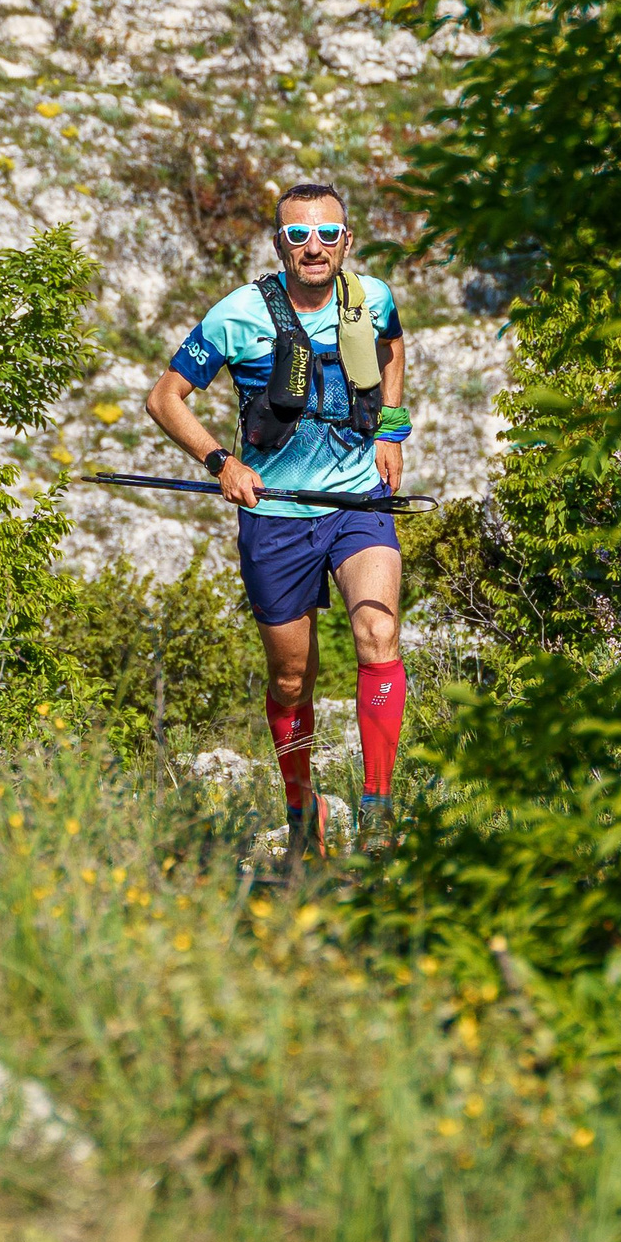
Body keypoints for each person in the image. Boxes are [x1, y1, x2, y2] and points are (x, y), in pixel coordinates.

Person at [143, 182, 410, 862]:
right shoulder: (238, 314)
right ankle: (301, 812)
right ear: (278, 244)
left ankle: (378, 814)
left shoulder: (372, 297)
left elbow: (391, 347)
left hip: (357, 505)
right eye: (298, 235)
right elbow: (164, 397)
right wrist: (221, 461)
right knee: (292, 680)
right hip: (277, 516)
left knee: (378, 634)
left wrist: (391, 429)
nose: (313, 247)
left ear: (347, 240)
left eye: (327, 233)